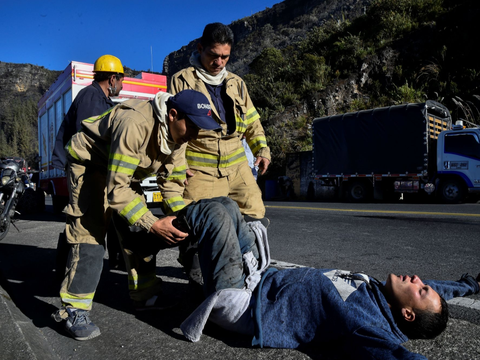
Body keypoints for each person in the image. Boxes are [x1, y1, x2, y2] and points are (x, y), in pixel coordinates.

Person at [175, 198, 480, 359]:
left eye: (421, 288)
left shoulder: (365, 324)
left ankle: (148, 232)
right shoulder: (379, 295)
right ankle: (192, 259)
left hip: (245, 303)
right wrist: (471, 285)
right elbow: (438, 292)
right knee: (228, 205)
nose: (417, 278)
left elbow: (395, 356)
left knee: (214, 213)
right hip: (260, 278)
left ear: (408, 313)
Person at [51, 89, 221, 341]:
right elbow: (116, 190)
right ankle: (74, 309)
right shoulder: (135, 124)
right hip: (90, 164)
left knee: (135, 228)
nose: (196, 134)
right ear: (173, 115)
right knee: (91, 231)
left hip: (121, 173)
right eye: (194, 126)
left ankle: (146, 296)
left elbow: (172, 182)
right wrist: (153, 224)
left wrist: (181, 218)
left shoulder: (177, 137)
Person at [161, 22, 270, 224]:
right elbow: (173, 128)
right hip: (201, 171)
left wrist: (261, 150)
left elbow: (253, 121)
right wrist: (179, 164)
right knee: (196, 223)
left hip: (238, 168)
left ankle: (247, 256)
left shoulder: (237, 83)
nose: (219, 62)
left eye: (225, 57)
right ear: (200, 48)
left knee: (256, 216)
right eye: (214, 55)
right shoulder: (181, 80)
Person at [52, 54, 126, 274]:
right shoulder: (91, 97)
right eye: (121, 81)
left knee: (106, 217)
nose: (122, 86)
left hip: (96, 169)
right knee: (83, 222)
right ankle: (66, 270)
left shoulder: (102, 99)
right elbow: (89, 139)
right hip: (86, 170)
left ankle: (112, 261)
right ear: (112, 79)